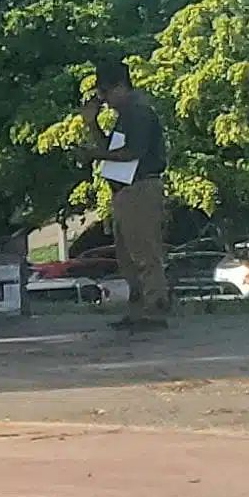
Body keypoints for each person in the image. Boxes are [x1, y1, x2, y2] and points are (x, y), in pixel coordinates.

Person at [78, 58, 170, 329]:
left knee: (145, 253)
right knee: (128, 255)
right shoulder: (124, 117)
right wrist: (93, 126)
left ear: (120, 87)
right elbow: (113, 150)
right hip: (125, 189)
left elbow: (132, 153)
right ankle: (138, 311)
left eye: (104, 93)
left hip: (141, 187)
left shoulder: (138, 113)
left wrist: (93, 154)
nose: (103, 99)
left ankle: (155, 309)